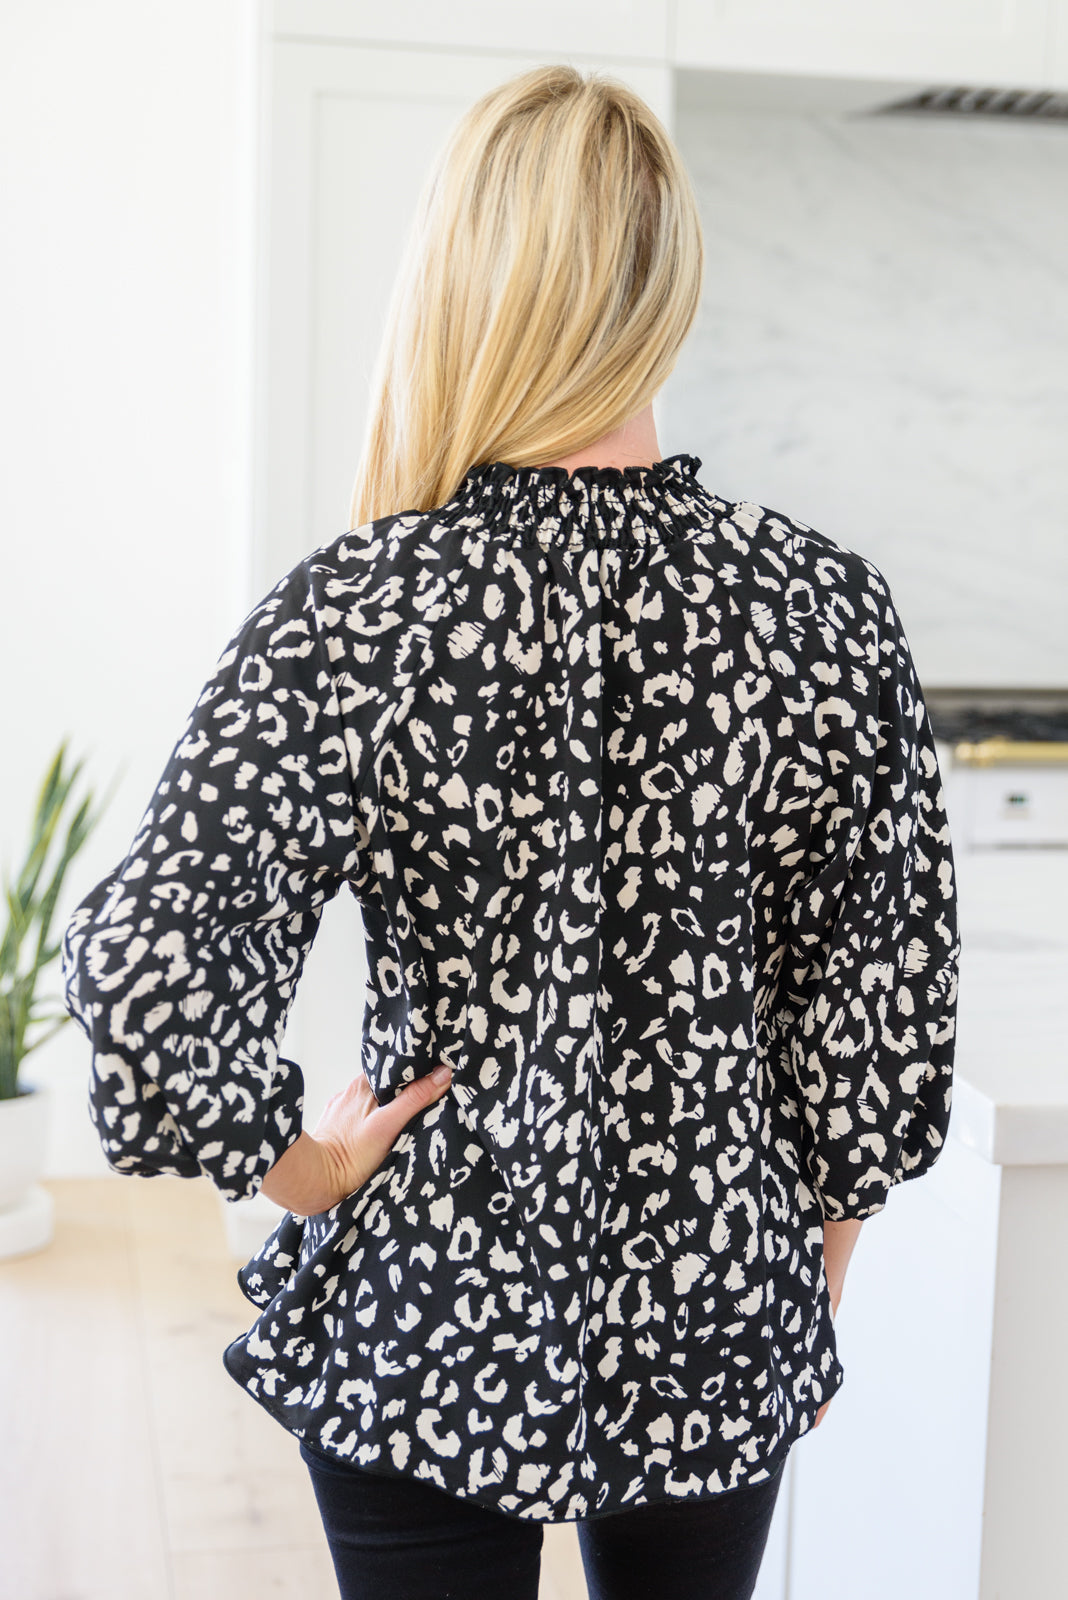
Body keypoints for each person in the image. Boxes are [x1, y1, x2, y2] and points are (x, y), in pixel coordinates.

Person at [61, 63, 959, 1600]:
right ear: (669, 286)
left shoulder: (361, 611)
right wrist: (801, 1287)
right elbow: (873, 1031)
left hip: (423, 1300)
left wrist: (304, 1170)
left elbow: (148, 984)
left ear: (461, 276)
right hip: (721, 1306)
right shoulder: (822, 613)